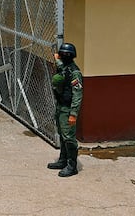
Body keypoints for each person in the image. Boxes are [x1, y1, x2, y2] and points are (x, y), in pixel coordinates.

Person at [47, 42, 83, 177]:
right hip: (60, 107)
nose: (63, 56)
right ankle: (62, 160)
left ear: (72, 56)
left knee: (69, 137)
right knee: (62, 135)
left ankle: (72, 166)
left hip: (68, 109)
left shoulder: (75, 73)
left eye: (66, 54)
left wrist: (73, 114)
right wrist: (56, 57)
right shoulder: (64, 67)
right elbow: (60, 64)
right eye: (62, 54)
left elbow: (78, 95)